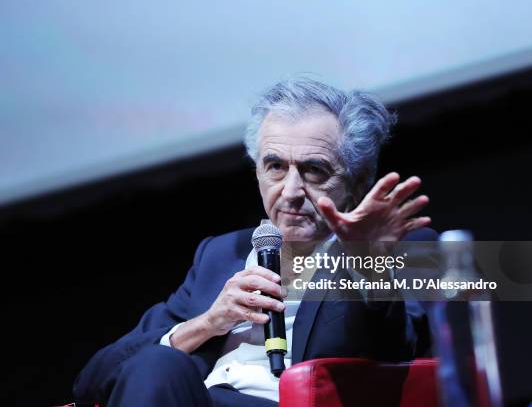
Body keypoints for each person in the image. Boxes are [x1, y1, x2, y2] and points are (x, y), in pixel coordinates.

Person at [73, 77, 437, 407]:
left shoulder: (407, 243)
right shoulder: (220, 254)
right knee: (158, 363)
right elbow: (92, 381)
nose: (291, 192)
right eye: (275, 167)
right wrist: (209, 322)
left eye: (314, 170)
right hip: (191, 398)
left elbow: (400, 350)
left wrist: (365, 257)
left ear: (358, 181)